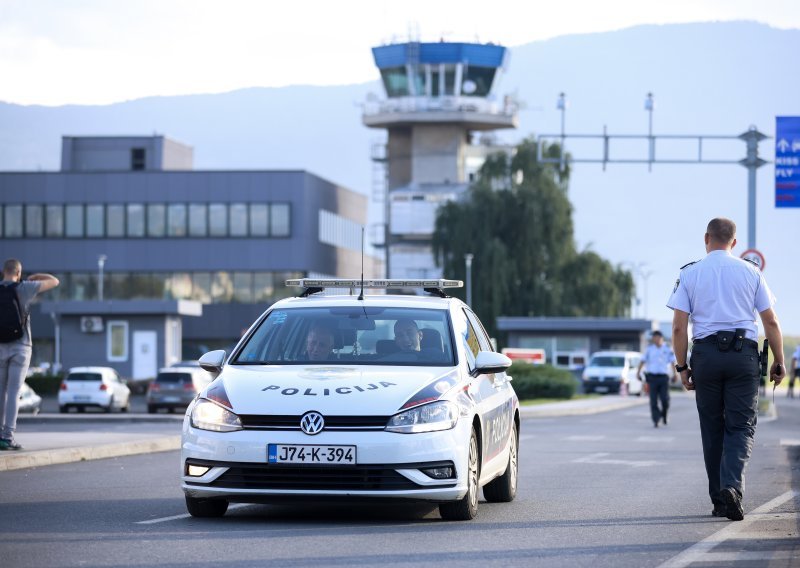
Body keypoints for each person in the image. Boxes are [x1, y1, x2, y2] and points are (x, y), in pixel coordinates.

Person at [667, 218, 784, 521]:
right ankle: (732, 487)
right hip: (742, 357)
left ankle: (720, 500)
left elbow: (679, 328)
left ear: (706, 238)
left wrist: (682, 366)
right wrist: (779, 361)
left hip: (705, 356)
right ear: (734, 242)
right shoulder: (751, 272)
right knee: (741, 425)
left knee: (712, 428)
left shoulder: (689, 273)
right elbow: (770, 322)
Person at [0, 259, 59, 451]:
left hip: (0, 347)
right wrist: (35, 277)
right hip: (21, 346)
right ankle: (7, 437)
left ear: (3, 272)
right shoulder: (25, 287)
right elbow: (54, 281)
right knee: (13, 393)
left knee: (0, 392)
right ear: (18, 272)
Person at [637, 330, 676, 428]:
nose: (655, 339)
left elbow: (672, 362)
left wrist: (675, 374)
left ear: (661, 338)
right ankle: (656, 419)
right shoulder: (649, 349)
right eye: (654, 337)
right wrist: (638, 372)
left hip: (663, 378)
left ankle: (664, 415)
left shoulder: (667, 349)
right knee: (653, 401)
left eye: (657, 337)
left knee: (665, 400)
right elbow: (642, 361)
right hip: (652, 378)